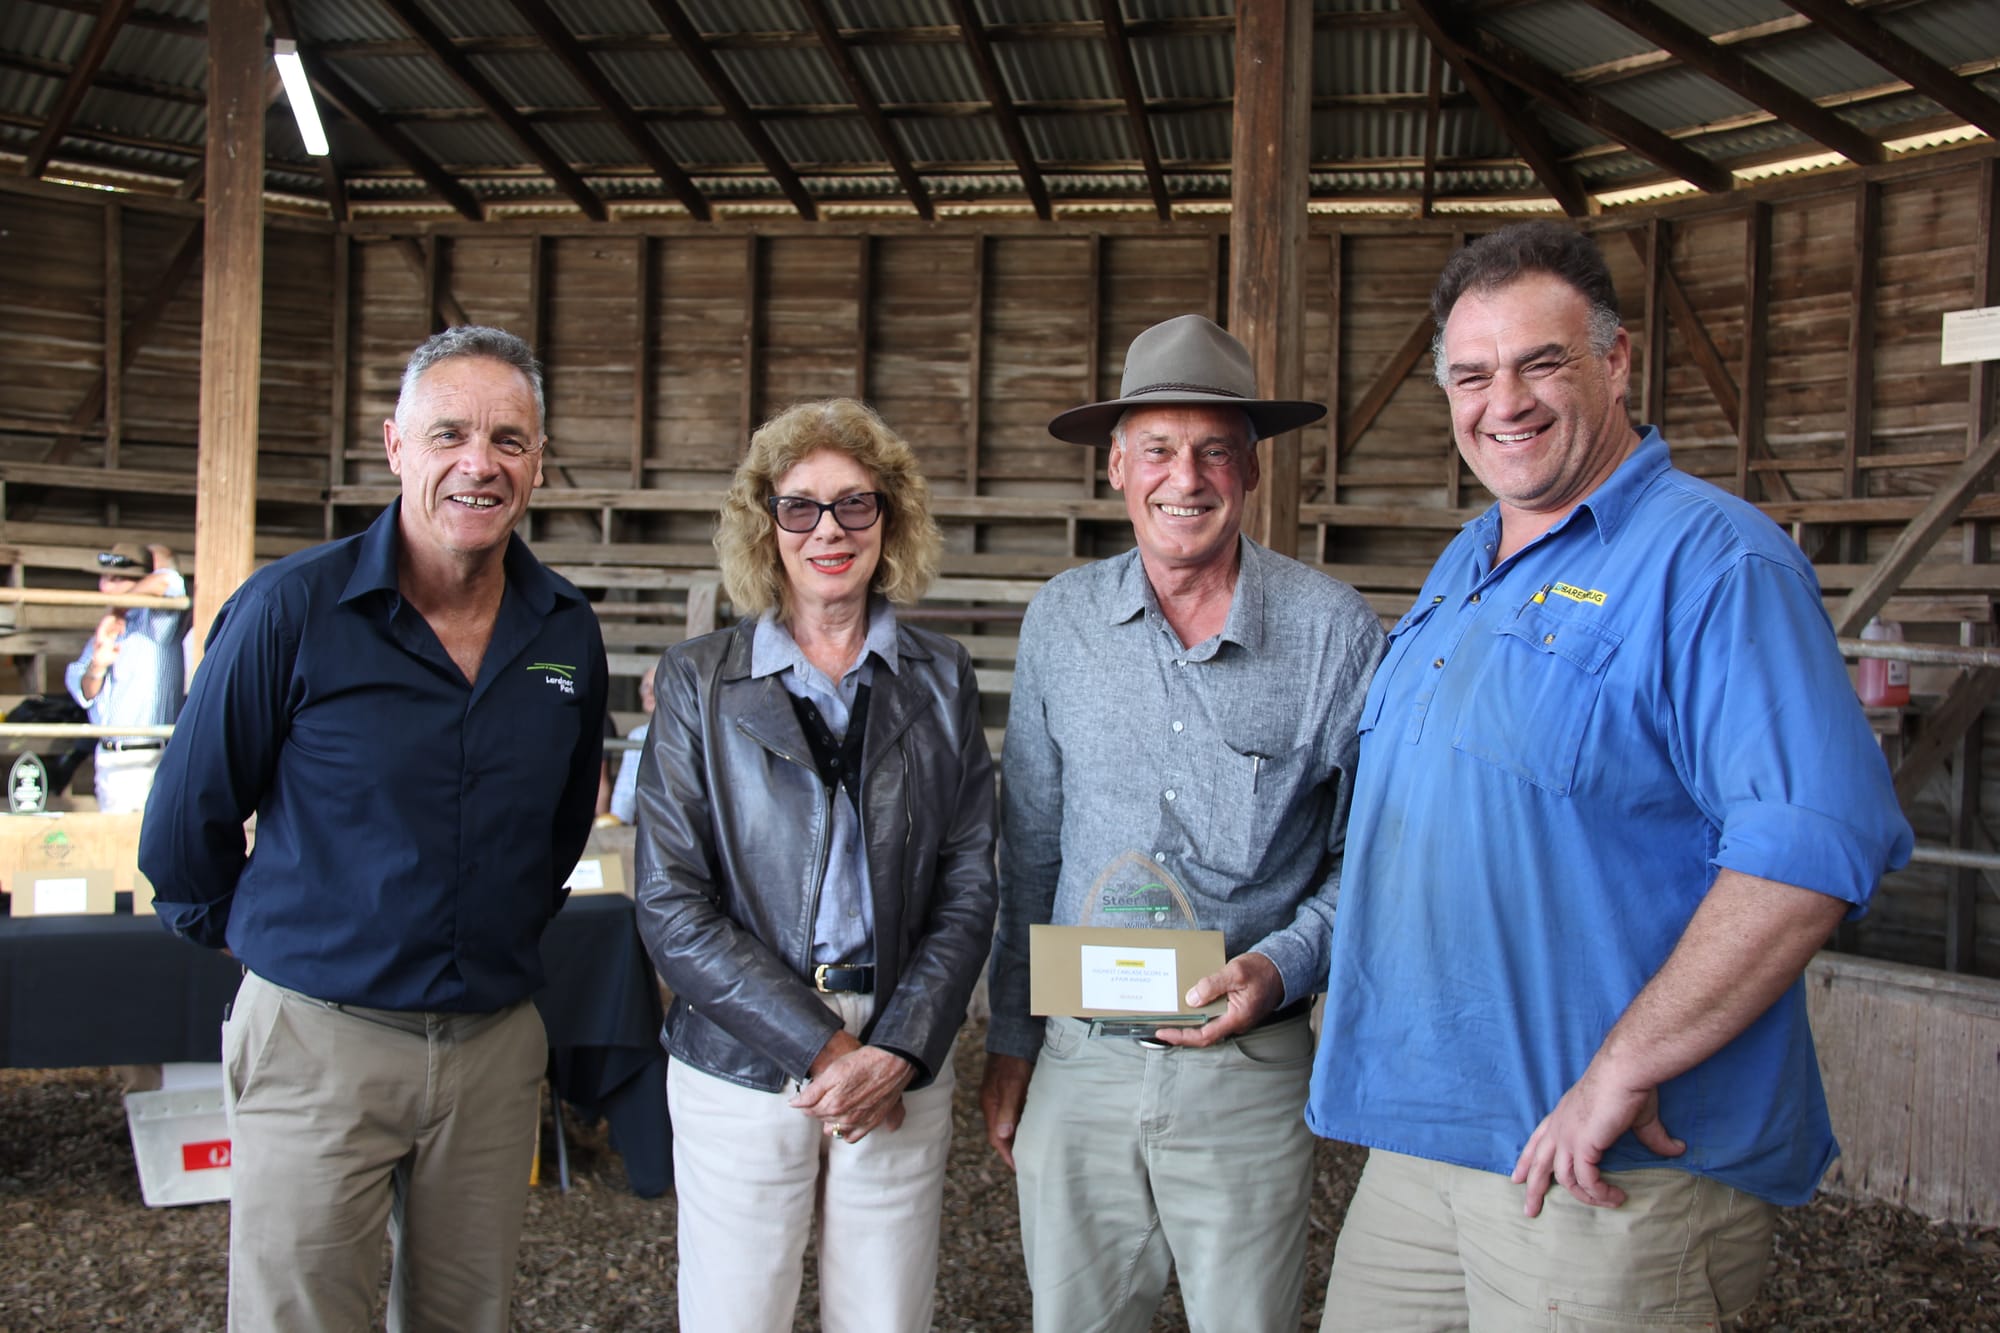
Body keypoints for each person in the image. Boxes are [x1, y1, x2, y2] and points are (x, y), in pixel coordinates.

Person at [1306, 222, 1914, 1329]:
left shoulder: (1714, 562)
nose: (1505, 402)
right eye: (1472, 375)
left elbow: (1808, 847)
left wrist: (1623, 1065)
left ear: (1616, 360)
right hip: (1425, 1143)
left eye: (1542, 362)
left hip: (1603, 1162)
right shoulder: (1465, 562)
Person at [137, 325, 607, 1333]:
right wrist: (275, 943)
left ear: (536, 462)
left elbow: (562, 822)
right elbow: (185, 827)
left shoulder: (565, 629)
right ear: (395, 445)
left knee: (461, 1317)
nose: (478, 464)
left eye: (509, 440)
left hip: (489, 1049)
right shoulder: (290, 610)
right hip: (320, 1037)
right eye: (450, 434)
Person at [979, 314, 1386, 1333]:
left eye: (1212, 449)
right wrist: (1013, 1038)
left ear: (1248, 468)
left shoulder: (1333, 632)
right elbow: (1029, 845)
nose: (1184, 476)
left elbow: (1371, 858)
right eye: (1157, 447)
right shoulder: (1061, 621)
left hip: (1243, 1066)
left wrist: (1283, 963)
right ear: (1116, 465)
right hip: (1079, 1060)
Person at [633, 398, 997, 1333]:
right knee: (734, 1314)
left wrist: (901, 1046)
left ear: (893, 518)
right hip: (745, 1056)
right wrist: (824, 1046)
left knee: (885, 1317)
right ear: (766, 524)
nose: (828, 530)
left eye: (855, 504)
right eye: (800, 506)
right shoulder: (696, 681)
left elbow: (967, 883)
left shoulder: (943, 676)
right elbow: (672, 904)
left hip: (896, 1051)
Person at [64, 540, 185, 812]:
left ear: (140, 580)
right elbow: (84, 691)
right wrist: (98, 665)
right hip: (109, 757)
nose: (106, 587)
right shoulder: (109, 627)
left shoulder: (158, 621)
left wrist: (118, 608)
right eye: (105, 578)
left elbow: (169, 580)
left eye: (118, 579)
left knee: (148, 846)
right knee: (117, 847)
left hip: (150, 754)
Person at [606, 662, 655, 824]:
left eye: (656, 686)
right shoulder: (638, 735)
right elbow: (626, 790)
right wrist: (616, 822)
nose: (650, 692)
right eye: (645, 687)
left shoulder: (688, 732)